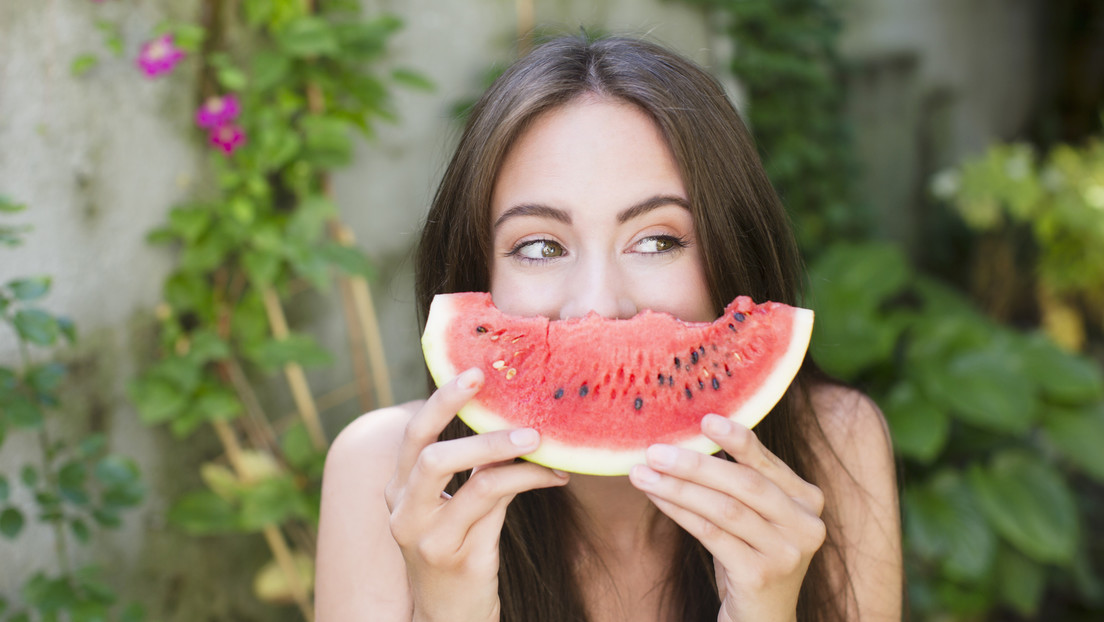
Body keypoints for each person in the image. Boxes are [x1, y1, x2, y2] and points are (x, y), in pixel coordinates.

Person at [314, 34, 902, 622]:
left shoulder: (836, 445)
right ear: (475, 271)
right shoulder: (378, 474)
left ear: (733, 247)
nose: (597, 307)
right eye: (540, 247)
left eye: (658, 241)